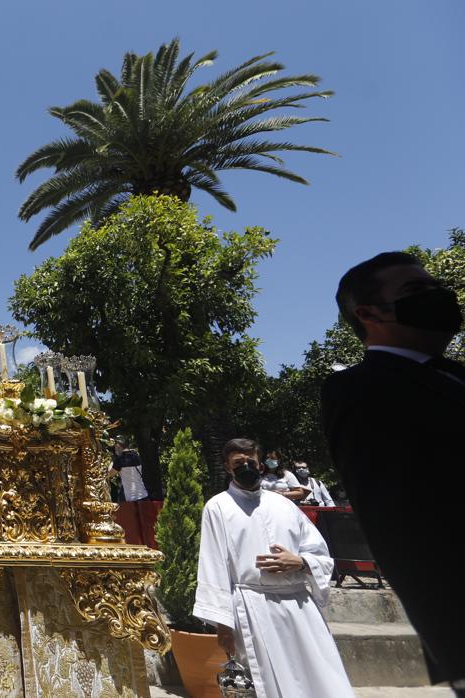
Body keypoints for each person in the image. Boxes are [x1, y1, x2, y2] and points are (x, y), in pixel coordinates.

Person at [322, 251, 465, 690]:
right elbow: (402, 526)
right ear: (368, 314)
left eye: (434, 285)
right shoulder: (363, 390)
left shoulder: (453, 375)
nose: (438, 295)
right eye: (414, 291)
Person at [193, 438, 352, 697]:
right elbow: (213, 565)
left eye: (250, 462)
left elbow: (320, 555)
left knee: (321, 678)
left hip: (300, 607)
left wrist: (300, 562)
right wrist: (223, 624)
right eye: (238, 463)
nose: (245, 466)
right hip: (253, 609)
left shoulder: (285, 505)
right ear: (227, 467)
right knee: (268, 684)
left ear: (261, 465)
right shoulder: (218, 507)